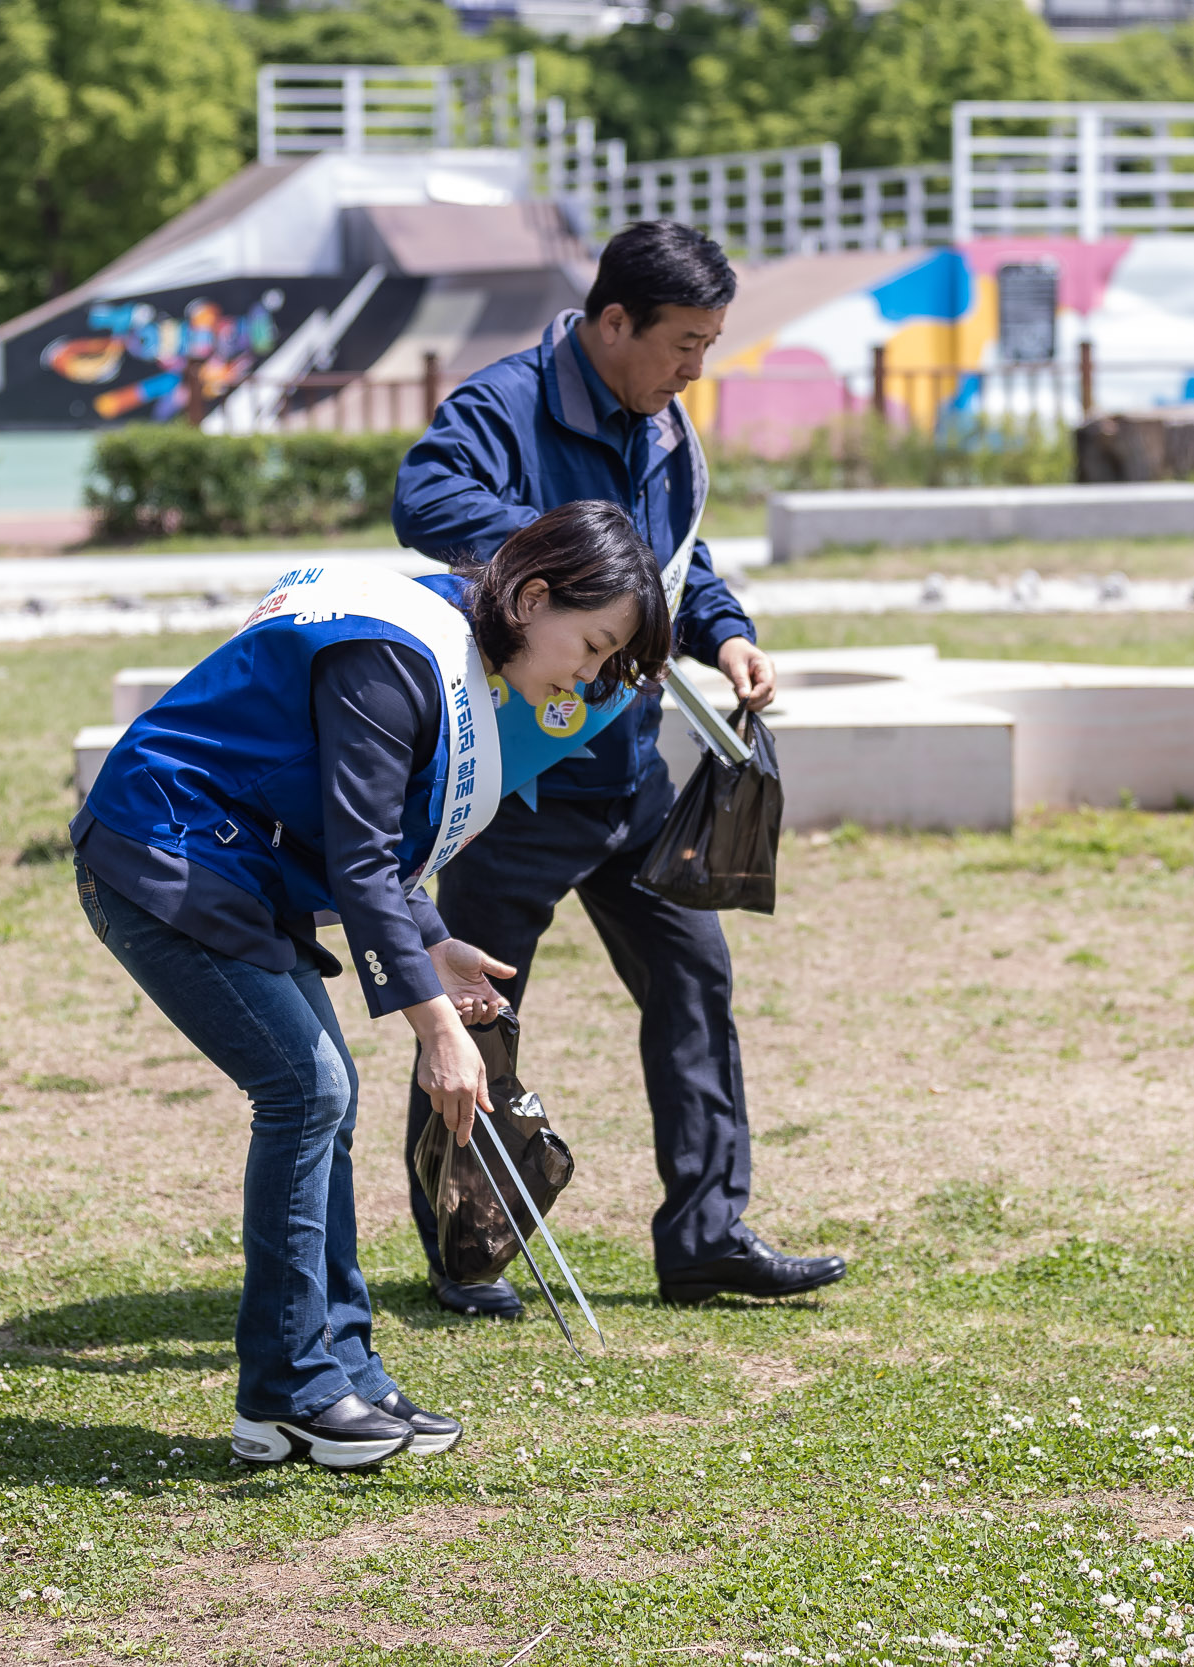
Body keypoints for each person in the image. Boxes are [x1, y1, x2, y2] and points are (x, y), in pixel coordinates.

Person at [68, 504, 669, 1469]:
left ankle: (341, 1371)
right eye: (593, 646)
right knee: (309, 1091)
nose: (589, 679)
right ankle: (288, 1394)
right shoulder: (393, 656)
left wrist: (435, 943)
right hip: (161, 853)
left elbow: (381, 846)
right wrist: (436, 1027)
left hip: (231, 863)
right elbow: (359, 862)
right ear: (533, 595)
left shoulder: (451, 634)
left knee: (319, 1099)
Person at [392, 219, 850, 1313]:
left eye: (709, 342)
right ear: (612, 322)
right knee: (477, 1019)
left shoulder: (665, 432)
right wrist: (577, 550)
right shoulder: (504, 406)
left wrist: (726, 628)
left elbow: (677, 566)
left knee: (696, 983)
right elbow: (424, 501)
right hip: (516, 780)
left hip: (635, 779)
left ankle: (705, 1234)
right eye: (683, 341)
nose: (696, 366)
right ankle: (467, 1252)